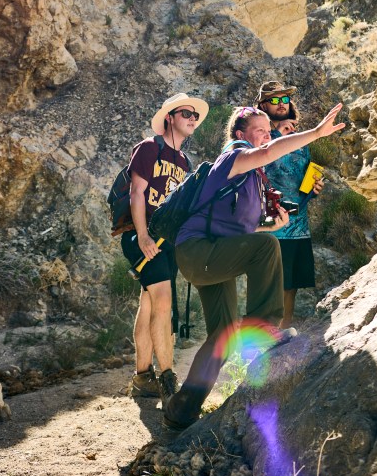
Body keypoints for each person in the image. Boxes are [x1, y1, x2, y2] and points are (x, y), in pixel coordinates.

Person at [163, 101, 344, 430]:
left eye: (267, 130)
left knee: (223, 335)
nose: (266, 135)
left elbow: (239, 230)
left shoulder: (251, 178)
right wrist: (317, 133)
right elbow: (269, 152)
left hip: (211, 253)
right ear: (239, 134)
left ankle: (181, 409)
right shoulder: (234, 155)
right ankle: (263, 327)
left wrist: (268, 226)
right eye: (259, 130)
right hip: (198, 251)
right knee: (267, 247)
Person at [123, 92, 209, 403]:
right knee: (163, 301)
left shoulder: (184, 162)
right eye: (186, 113)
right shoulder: (150, 148)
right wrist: (143, 236)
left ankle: (142, 377)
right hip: (142, 235)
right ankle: (168, 377)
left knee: (148, 303)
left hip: (167, 242)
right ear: (169, 118)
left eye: (195, 115)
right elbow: (137, 193)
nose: (192, 119)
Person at [256, 80, 325, 328]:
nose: (281, 104)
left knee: (291, 286)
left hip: (299, 225)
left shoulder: (300, 140)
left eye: (284, 99)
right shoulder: (258, 136)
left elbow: (301, 180)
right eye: (274, 100)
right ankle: (264, 338)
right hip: (271, 225)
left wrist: (313, 189)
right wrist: (276, 134)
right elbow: (257, 161)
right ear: (263, 106)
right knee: (271, 285)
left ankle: (283, 336)